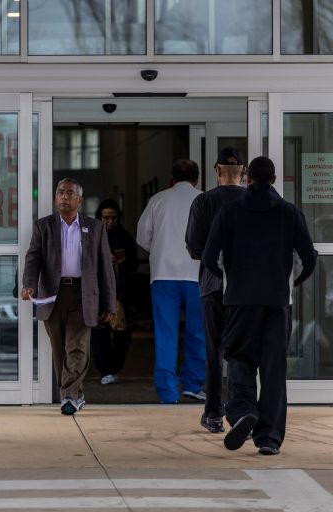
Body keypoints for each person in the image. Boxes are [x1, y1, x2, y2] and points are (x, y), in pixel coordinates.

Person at [202, 156, 317, 455]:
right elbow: (309, 257)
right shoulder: (289, 212)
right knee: (273, 368)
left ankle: (242, 411)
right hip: (277, 301)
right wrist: (290, 283)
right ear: (274, 180)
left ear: (247, 178)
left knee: (239, 358)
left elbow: (209, 256)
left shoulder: (229, 211)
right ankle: (269, 438)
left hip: (240, 301)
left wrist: (229, 280)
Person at [21, 178, 116, 415]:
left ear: (80, 200)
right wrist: (29, 284)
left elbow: (106, 268)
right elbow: (33, 258)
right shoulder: (44, 226)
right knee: (60, 349)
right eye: (61, 192)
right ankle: (76, 394)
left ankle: (69, 396)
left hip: (84, 294)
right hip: (53, 294)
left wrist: (109, 303)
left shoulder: (95, 227)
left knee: (77, 346)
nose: (64, 196)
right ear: (56, 197)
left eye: (70, 193)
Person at [185, 147, 246, 433]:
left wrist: (215, 258)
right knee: (241, 351)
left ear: (217, 171)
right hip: (246, 288)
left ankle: (213, 414)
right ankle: (241, 410)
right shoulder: (251, 201)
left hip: (212, 285)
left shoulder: (203, 202)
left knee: (214, 349)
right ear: (243, 172)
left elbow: (193, 246)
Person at [136, 159, 205, 404]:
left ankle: (167, 391)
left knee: (166, 333)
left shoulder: (158, 200)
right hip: (197, 274)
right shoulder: (204, 200)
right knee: (197, 332)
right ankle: (193, 384)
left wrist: (159, 248)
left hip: (163, 274)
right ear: (197, 179)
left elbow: (142, 237)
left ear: (171, 179)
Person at [91, 198, 139, 385]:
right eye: (105, 218)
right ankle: (105, 370)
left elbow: (134, 264)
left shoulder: (125, 237)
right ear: (99, 218)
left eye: (113, 217)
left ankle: (114, 367)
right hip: (98, 292)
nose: (109, 221)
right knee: (99, 333)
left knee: (122, 333)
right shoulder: (93, 236)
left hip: (120, 292)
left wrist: (122, 261)